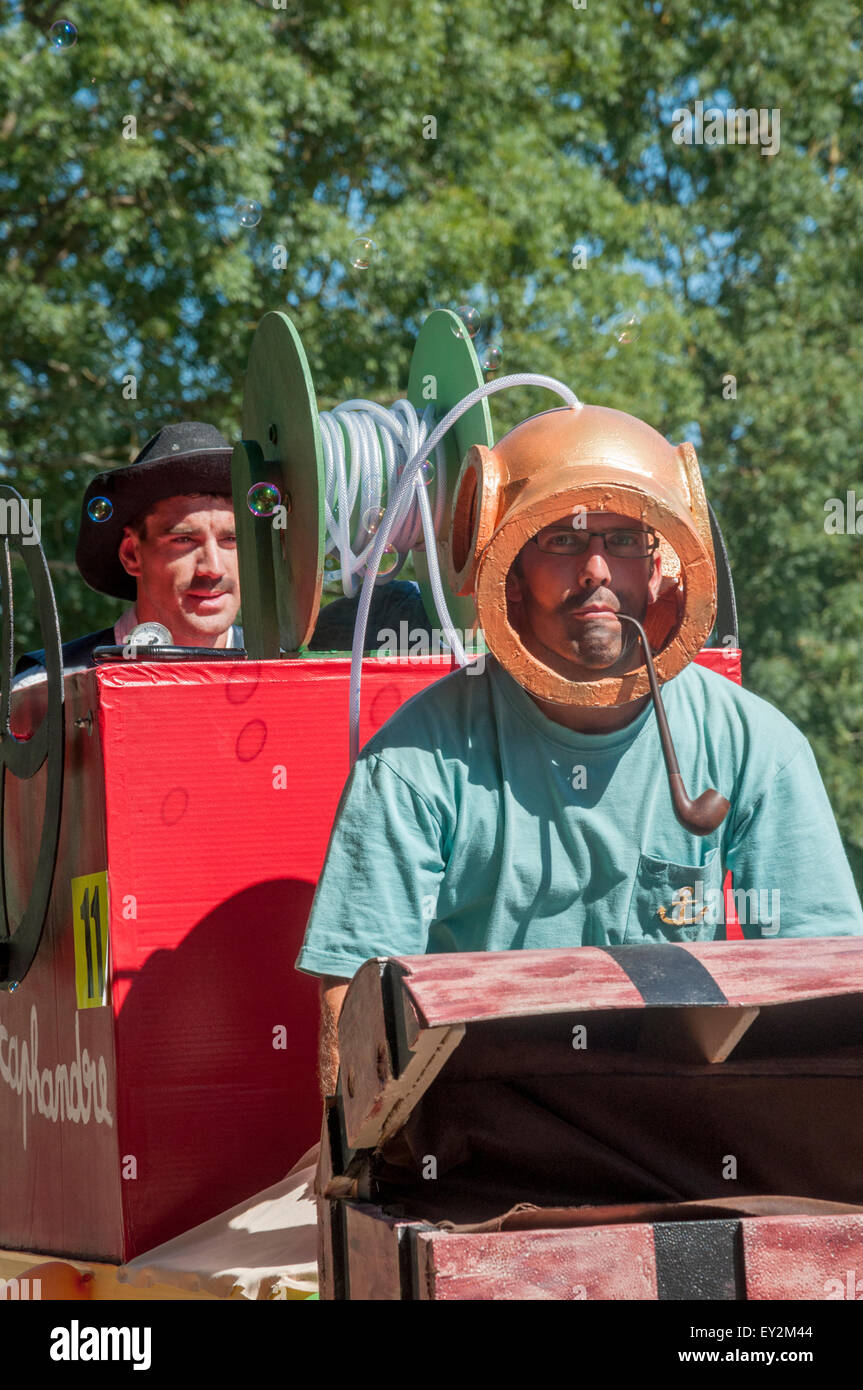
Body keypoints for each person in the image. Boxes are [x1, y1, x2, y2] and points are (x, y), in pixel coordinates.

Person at [295, 403, 863, 1095]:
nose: (596, 569)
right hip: (474, 1123)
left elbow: (822, 979)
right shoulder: (415, 762)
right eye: (560, 540)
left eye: (624, 540)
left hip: (684, 1115)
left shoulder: (754, 747)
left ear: (663, 567)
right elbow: (349, 1006)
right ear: (507, 566)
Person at [13, 421, 434, 685]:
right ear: (131, 555)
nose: (212, 568)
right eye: (184, 541)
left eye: (232, 541)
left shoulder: (290, 679)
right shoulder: (51, 689)